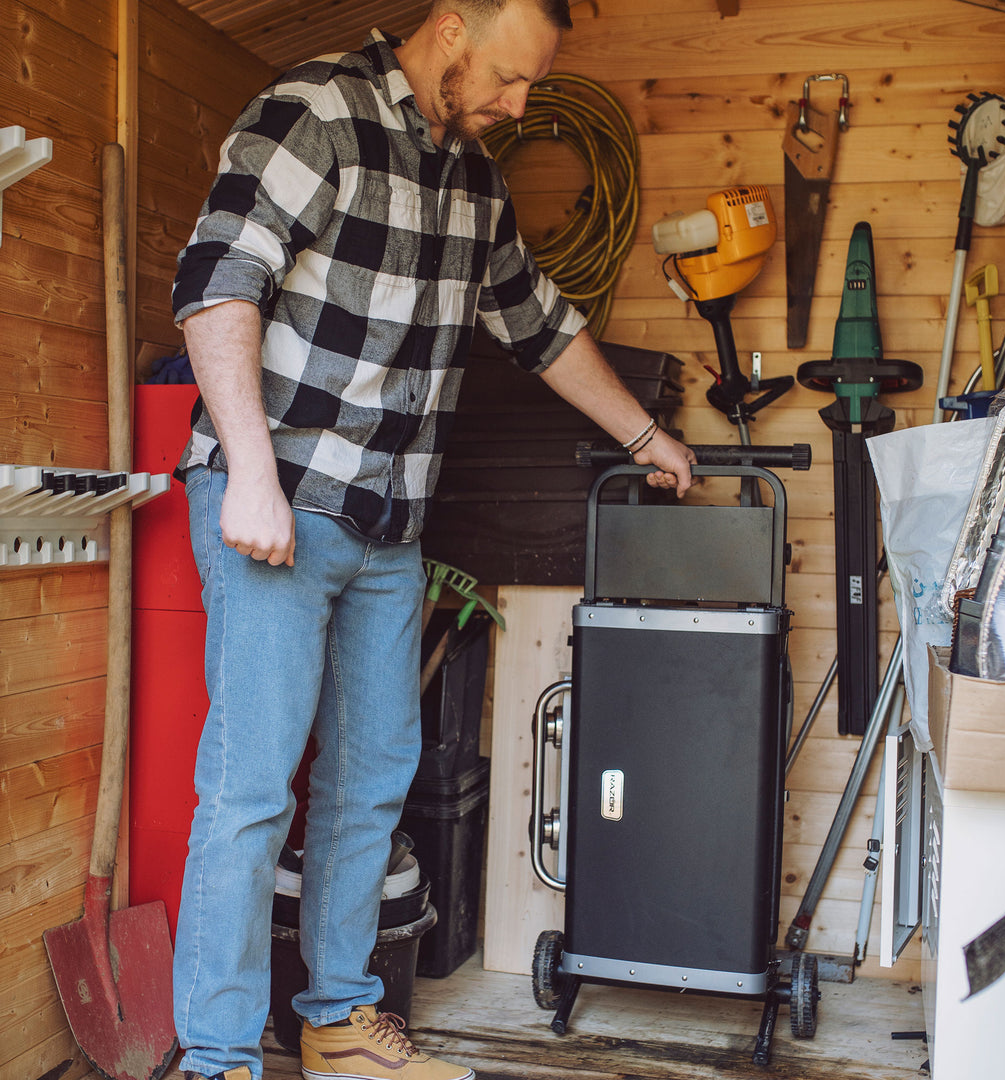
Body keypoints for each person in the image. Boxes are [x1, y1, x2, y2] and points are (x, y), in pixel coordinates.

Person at [170, 2, 697, 1079]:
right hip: (282, 509)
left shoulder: (473, 181)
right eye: (508, 78)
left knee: (371, 785)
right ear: (452, 28)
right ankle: (217, 1058)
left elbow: (539, 326)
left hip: (390, 528)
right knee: (252, 789)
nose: (516, 105)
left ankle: (336, 1022)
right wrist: (254, 477)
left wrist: (647, 433)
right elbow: (216, 281)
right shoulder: (314, 110)